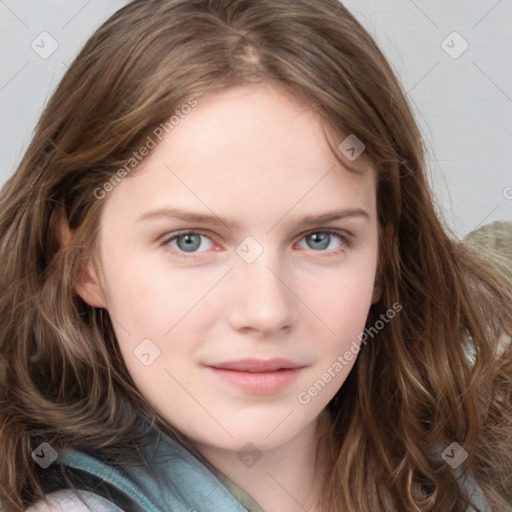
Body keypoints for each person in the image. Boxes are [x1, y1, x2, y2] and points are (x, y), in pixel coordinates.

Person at [0, 1, 511, 511]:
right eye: (190, 241)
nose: (266, 312)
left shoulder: (464, 464)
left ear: (382, 257)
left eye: (320, 239)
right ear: (84, 262)